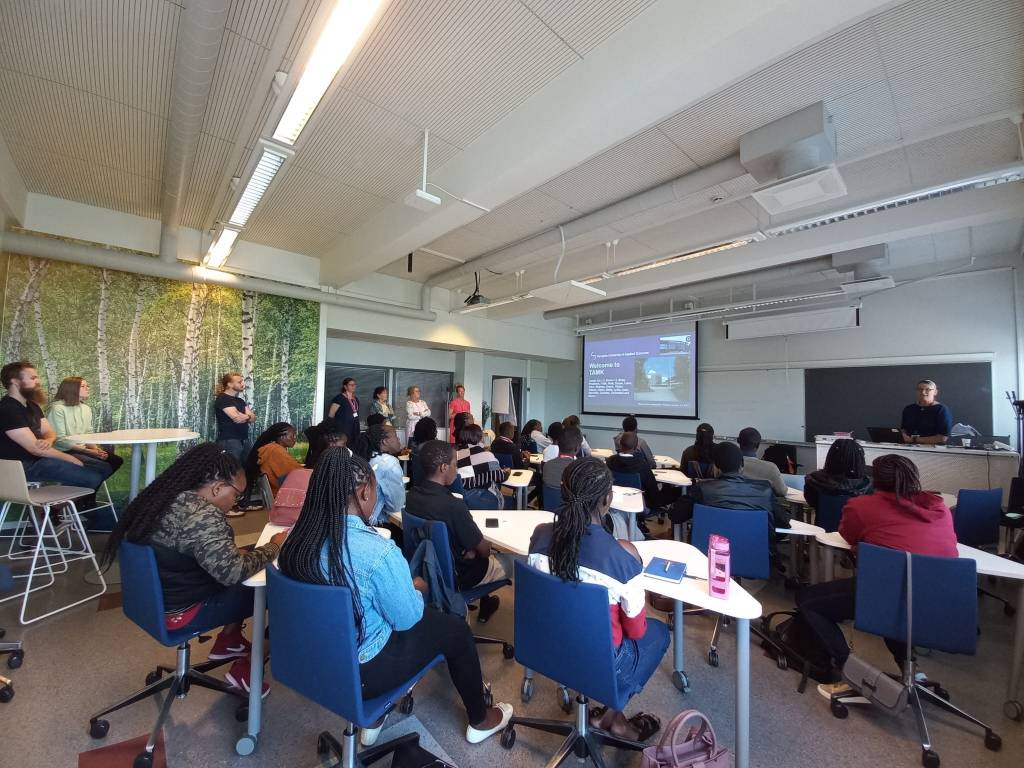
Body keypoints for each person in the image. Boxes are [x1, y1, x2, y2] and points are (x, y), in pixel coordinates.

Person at [277, 448, 512, 745]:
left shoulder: (295, 542)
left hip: (310, 662)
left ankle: (374, 716)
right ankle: (480, 719)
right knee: (456, 631)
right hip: (361, 672)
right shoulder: (378, 553)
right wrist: (413, 587)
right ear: (364, 492)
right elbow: (407, 619)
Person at [101, 443, 285, 696]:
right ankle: (247, 670)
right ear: (217, 487)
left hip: (154, 601)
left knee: (247, 558)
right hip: (184, 611)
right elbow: (231, 573)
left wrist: (243, 553)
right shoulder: (202, 517)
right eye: (237, 495)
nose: (235, 502)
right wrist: (273, 548)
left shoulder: (163, 498)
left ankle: (228, 640)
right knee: (280, 591)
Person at [528, 457, 668, 742]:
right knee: (659, 632)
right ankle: (613, 718)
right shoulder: (622, 556)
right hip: (599, 659)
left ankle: (611, 717)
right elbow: (636, 631)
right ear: (608, 500)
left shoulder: (540, 536)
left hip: (544, 645)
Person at [797, 455, 957, 698]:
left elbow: (848, 535)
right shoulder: (939, 508)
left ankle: (850, 670)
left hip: (887, 597)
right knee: (898, 601)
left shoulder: (863, 507)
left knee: (809, 601)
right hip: (939, 605)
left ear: (874, 480)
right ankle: (912, 673)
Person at [405, 440, 507, 621]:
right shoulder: (455, 506)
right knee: (516, 562)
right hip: (461, 574)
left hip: (430, 567)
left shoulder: (412, 496)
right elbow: (484, 551)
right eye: (455, 464)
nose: (457, 470)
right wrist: (478, 549)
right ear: (444, 468)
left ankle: (486, 604)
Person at [0, 361, 111, 489]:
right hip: (22, 466)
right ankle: (57, 507)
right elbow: (35, 449)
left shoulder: (32, 405)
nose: (38, 381)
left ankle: (64, 505)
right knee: (93, 477)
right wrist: (70, 459)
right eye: (33, 378)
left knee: (103, 467)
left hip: (39, 459)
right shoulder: (8, 408)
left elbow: (49, 431)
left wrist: (48, 439)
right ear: (15, 381)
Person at [689, 442, 790, 529]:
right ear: (742, 466)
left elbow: (677, 515)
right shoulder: (765, 492)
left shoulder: (703, 489)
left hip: (710, 549)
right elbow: (784, 523)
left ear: (715, 467)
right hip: (756, 550)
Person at [48, 376, 124, 478]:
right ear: (72, 389)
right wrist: (89, 451)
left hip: (83, 449)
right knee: (103, 467)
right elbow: (59, 439)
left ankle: (87, 489)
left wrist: (97, 450)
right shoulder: (58, 409)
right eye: (83, 386)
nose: (87, 388)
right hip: (64, 451)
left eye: (87, 386)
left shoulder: (86, 408)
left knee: (116, 461)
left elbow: (88, 434)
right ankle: (85, 491)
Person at [607, 432, 679, 510]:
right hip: (642, 504)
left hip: (616, 502)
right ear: (636, 447)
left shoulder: (610, 461)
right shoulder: (642, 465)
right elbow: (653, 492)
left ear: (620, 445)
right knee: (677, 492)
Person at [803, 438, 873, 511]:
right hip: (856, 521)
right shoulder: (868, 485)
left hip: (825, 521)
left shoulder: (814, 480)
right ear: (859, 459)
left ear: (831, 456)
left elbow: (812, 503)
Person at [455, 424, 506, 510]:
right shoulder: (487, 455)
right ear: (480, 437)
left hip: (460, 500)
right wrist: (506, 472)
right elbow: (500, 477)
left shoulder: (456, 455)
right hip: (482, 499)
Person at [363, 423, 405, 527]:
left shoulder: (364, 456)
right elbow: (396, 506)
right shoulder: (389, 463)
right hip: (375, 525)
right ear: (384, 441)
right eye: (395, 435)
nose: (398, 439)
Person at [247, 422, 302, 497]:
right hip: (282, 495)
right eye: (292, 435)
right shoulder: (276, 450)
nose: (295, 438)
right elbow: (297, 473)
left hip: (276, 492)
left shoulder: (271, 448)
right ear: (282, 437)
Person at [214, 372, 256, 465]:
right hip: (229, 441)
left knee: (247, 469)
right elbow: (237, 418)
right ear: (229, 384)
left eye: (242, 381)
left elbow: (253, 418)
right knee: (232, 472)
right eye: (239, 382)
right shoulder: (223, 398)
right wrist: (248, 416)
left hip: (244, 440)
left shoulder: (240, 401)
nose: (242, 384)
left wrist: (247, 416)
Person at [737, 427, 788, 498]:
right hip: (762, 507)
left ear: (738, 441)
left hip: (731, 506)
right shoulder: (771, 468)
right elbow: (782, 492)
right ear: (758, 445)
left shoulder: (727, 464)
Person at [900, 379, 952, 445]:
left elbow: (942, 438)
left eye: (928, 389)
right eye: (920, 389)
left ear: (935, 392)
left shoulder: (941, 410)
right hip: (907, 447)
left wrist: (914, 440)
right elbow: (903, 430)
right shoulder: (908, 409)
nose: (923, 392)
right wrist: (903, 436)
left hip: (932, 450)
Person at [542, 426, 582, 492]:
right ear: (577, 448)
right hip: (570, 501)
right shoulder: (579, 469)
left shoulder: (547, 465)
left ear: (557, 443)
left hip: (550, 502)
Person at [328, 378, 361, 446]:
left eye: (354, 385)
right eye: (351, 385)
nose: (353, 386)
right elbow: (331, 414)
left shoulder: (355, 399)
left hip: (354, 427)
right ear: (345, 386)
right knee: (344, 445)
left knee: (354, 445)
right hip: (343, 428)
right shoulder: (339, 398)